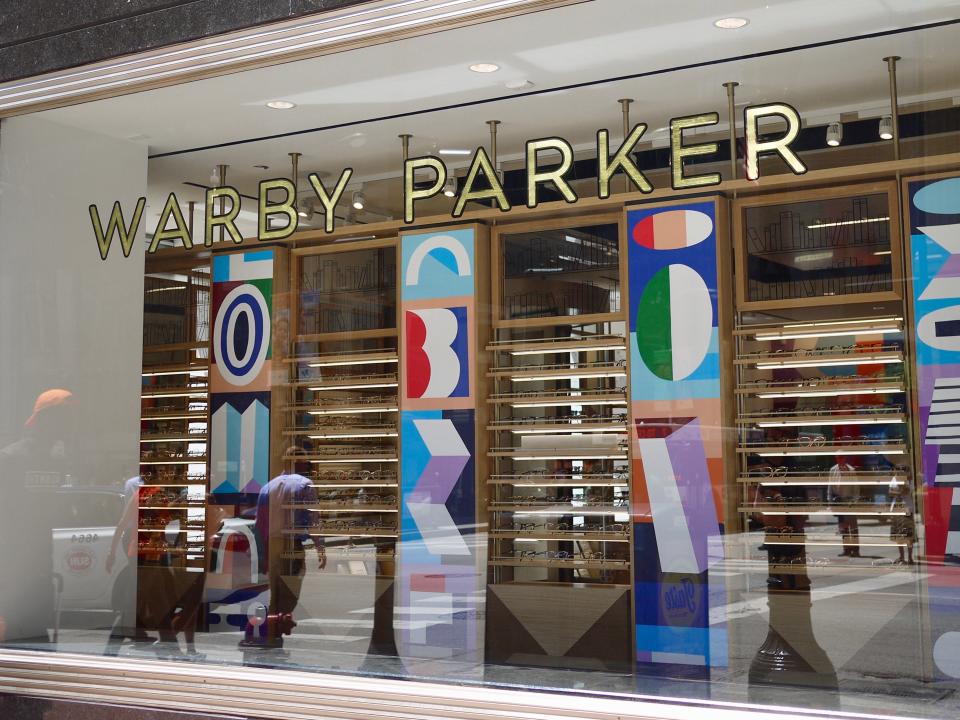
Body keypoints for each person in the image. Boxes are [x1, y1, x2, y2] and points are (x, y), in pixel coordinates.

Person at [0, 389, 75, 645]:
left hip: (42, 562)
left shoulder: (58, 459)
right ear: (45, 419)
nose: (67, 425)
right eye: (63, 417)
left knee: (38, 636)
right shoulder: (12, 457)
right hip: (13, 563)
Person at [247, 461, 325, 650]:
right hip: (292, 543)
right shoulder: (305, 484)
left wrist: (262, 552)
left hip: (272, 544)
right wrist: (320, 546)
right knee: (291, 590)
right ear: (304, 464)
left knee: (275, 593)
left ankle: (273, 635)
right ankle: (277, 629)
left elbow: (259, 525)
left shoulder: (268, 486)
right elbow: (313, 518)